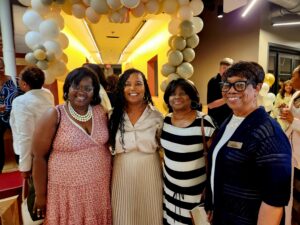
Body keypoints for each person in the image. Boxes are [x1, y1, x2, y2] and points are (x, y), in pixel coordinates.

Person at [205, 61, 292, 225]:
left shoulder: (270, 134)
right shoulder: (230, 120)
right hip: (223, 215)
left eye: (239, 85)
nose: (230, 90)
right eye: (226, 85)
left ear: (257, 88)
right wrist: (212, 203)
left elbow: (274, 200)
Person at [32, 67, 112, 224]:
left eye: (88, 88)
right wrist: (40, 195)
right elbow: (38, 157)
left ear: (95, 92)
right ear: (67, 87)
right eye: (76, 86)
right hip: (67, 192)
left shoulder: (100, 112)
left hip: (99, 187)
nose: (81, 92)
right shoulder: (55, 114)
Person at [109, 68, 163, 225]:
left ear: (145, 87)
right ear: (121, 89)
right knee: (122, 213)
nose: (133, 88)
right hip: (122, 170)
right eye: (127, 84)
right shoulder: (113, 115)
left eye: (138, 84)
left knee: (151, 212)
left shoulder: (156, 116)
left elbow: (164, 147)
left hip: (150, 169)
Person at [160, 78, 216, 225]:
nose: (177, 97)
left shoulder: (204, 122)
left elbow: (216, 161)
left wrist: (212, 197)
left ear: (191, 96)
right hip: (170, 194)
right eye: (172, 94)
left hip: (196, 197)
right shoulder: (165, 121)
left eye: (183, 93)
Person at [10, 66, 54, 179]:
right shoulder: (48, 94)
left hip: (33, 154)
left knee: (35, 190)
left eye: (19, 79)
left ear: (24, 84)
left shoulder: (20, 102)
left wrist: (24, 166)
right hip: (50, 148)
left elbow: (25, 136)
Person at [280, 65, 300, 225]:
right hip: (291, 152)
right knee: (290, 195)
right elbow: (291, 119)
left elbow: (294, 121)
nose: (291, 79)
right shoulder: (297, 95)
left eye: (294, 76)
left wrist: (294, 121)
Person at [0, 57, 18, 172]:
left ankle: (22, 165)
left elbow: (17, 95)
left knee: (19, 138)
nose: (1, 69)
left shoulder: (10, 79)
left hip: (13, 115)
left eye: (2, 66)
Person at [207, 57, 234, 127]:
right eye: (224, 68)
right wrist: (226, 99)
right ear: (219, 69)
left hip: (230, 120)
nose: (226, 71)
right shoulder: (213, 81)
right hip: (215, 121)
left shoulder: (233, 82)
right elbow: (210, 105)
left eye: (229, 69)